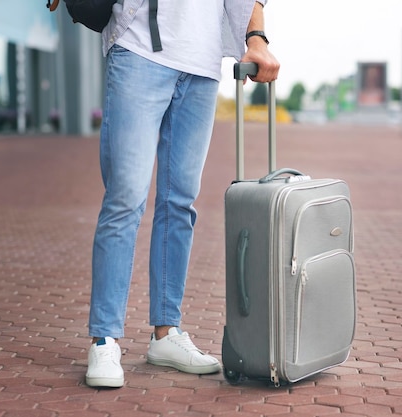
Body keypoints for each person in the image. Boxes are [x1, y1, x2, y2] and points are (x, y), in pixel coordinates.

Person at [85, 0, 280, 388]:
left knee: (179, 203)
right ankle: (104, 338)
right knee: (126, 198)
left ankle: (166, 333)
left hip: (202, 62)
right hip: (140, 48)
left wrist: (256, 37)